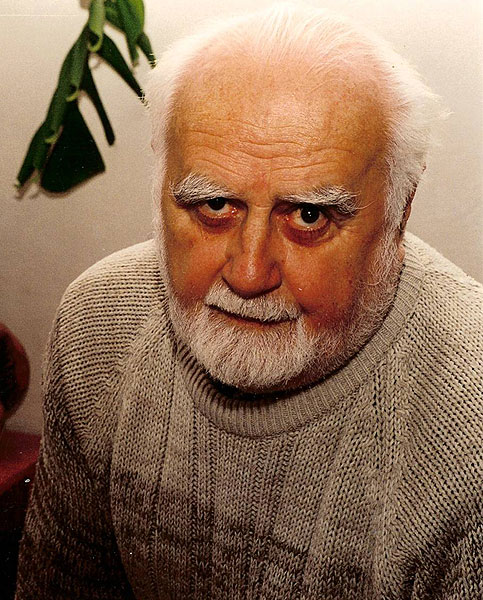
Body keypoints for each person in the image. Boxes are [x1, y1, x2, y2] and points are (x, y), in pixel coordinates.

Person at [15, 4, 482, 599]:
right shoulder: (98, 321)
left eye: (309, 215)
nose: (249, 273)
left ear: (400, 210)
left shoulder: (471, 432)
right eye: (214, 205)